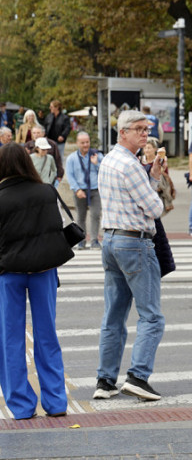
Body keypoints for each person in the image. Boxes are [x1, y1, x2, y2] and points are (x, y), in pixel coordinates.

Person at [93, 110, 167, 402]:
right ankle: (138, 376)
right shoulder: (131, 165)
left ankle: (105, 379)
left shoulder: (109, 160)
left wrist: (151, 174)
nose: (144, 134)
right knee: (152, 316)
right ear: (122, 132)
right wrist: (155, 180)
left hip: (110, 240)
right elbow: (155, 208)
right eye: (138, 129)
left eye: (146, 129)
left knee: (113, 315)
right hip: (134, 242)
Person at [0, 143, 74, 420]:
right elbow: (54, 229)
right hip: (44, 271)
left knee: (10, 339)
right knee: (47, 335)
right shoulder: (46, 191)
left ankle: (20, 405)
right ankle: (56, 401)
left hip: (9, 273)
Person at [65, 132, 104, 250]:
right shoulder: (72, 158)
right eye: (82, 142)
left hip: (94, 189)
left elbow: (104, 170)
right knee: (81, 216)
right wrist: (77, 190)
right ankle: (81, 241)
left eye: (87, 142)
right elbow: (70, 175)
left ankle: (94, 241)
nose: (85, 145)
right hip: (80, 190)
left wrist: (96, 164)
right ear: (77, 143)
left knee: (95, 215)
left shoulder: (96, 155)